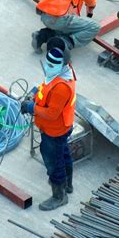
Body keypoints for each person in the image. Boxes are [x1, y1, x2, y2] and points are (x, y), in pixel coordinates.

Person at [21, 38, 76, 211]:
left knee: (54, 161)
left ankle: (59, 196)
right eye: (48, 61)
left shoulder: (62, 87)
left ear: (62, 63)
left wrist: (31, 107)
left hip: (55, 130)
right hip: (61, 128)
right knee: (63, 153)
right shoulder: (61, 73)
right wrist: (35, 93)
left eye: (53, 64)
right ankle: (68, 185)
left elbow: (52, 114)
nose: (49, 66)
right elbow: (46, 85)